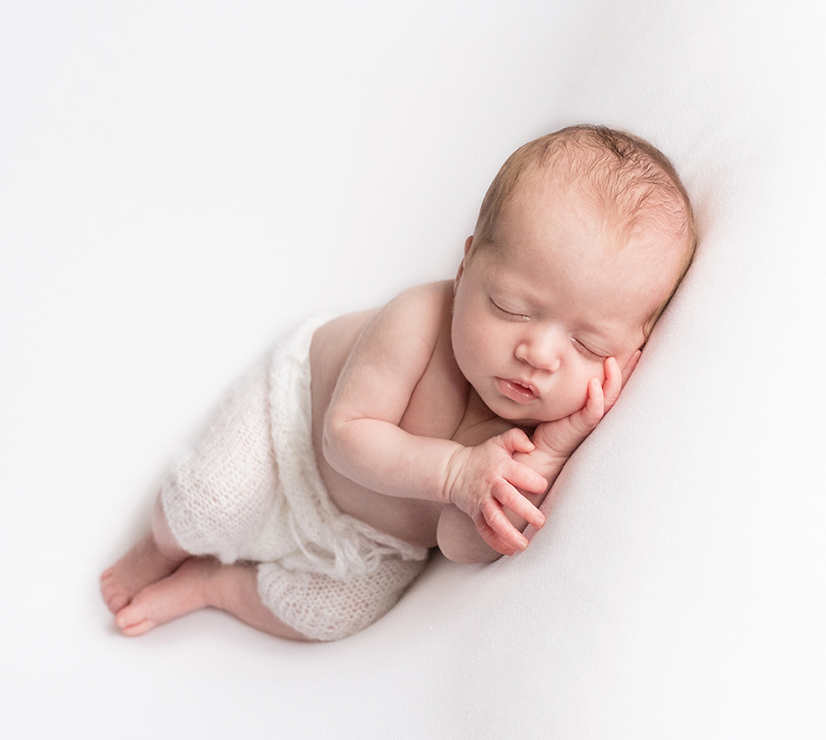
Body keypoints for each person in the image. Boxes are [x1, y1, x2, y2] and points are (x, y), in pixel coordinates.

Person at [100, 124, 697, 641]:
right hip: (292, 429)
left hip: (374, 541)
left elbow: (461, 544)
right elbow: (345, 435)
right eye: (512, 306)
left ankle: (218, 587)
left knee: (334, 614)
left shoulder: (533, 428)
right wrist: (452, 474)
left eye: (587, 344)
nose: (537, 353)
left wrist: (548, 451)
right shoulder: (419, 321)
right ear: (465, 270)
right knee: (207, 500)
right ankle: (161, 548)